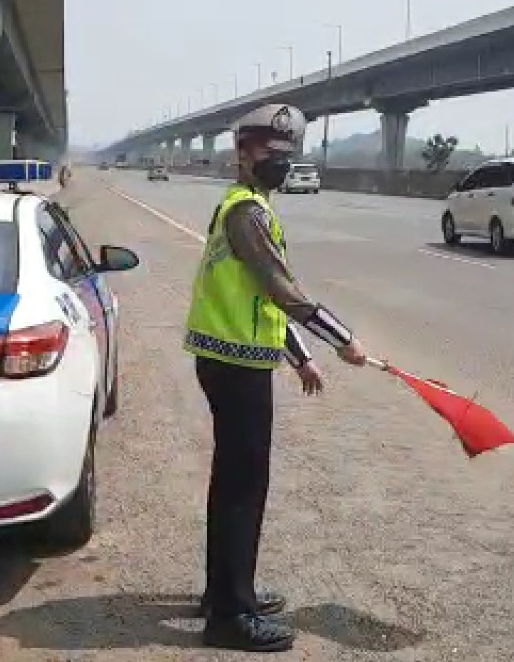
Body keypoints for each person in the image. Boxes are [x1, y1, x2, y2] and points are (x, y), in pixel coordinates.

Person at [182, 103, 368, 652]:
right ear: (243, 154)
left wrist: (300, 356)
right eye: (269, 150)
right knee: (243, 488)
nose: (280, 161)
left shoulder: (249, 205)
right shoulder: (247, 212)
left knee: (233, 483)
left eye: (287, 152)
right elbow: (281, 290)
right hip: (236, 366)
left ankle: (225, 593)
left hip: (233, 358)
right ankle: (230, 616)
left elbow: (259, 299)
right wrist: (341, 339)